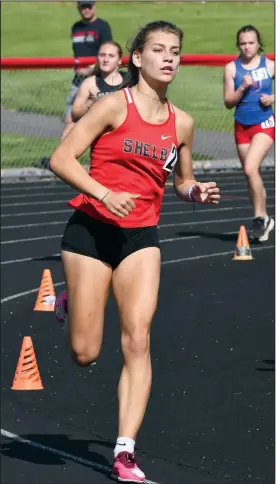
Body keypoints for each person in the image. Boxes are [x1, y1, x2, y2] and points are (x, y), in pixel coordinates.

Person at [50, 20, 220, 483]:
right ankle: (73, 297)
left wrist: (193, 191)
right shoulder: (111, 106)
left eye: (176, 51)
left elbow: (180, 179)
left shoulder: (182, 121)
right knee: (85, 353)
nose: (169, 58)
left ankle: (125, 452)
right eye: (159, 50)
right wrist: (104, 194)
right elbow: (61, 159)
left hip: (140, 237)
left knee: (139, 339)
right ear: (137, 58)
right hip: (92, 230)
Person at [224, 25, 275, 242]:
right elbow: (228, 102)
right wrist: (242, 88)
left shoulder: (270, 65)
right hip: (241, 125)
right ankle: (266, 221)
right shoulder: (232, 68)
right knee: (251, 174)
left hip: (264, 123)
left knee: (250, 167)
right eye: (243, 43)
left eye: (251, 43)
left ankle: (259, 216)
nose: (247, 47)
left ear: (258, 44)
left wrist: (273, 98)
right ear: (238, 45)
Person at [63, 0, 112, 138]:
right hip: (78, 81)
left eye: (89, 6)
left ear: (94, 7)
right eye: (83, 7)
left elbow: (107, 53)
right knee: (70, 119)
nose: (86, 10)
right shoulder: (76, 28)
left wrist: (91, 69)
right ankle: (61, 158)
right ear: (78, 8)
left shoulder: (102, 27)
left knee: (101, 124)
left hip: (97, 80)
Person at [71, 41, 126, 123]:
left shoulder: (130, 80)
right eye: (102, 55)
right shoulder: (89, 83)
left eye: (111, 56)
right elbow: (74, 115)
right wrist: (92, 103)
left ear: (119, 60)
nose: (106, 60)